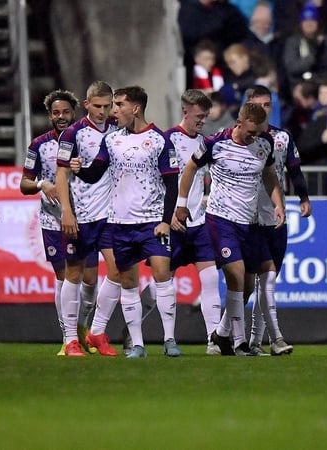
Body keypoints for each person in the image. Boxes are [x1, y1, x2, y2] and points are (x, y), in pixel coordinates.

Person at [73, 86, 181, 358]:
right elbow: (95, 173)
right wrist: (79, 170)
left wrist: (166, 221)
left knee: (162, 275)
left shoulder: (159, 140)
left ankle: (169, 340)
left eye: (119, 105)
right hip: (119, 223)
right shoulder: (111, 140)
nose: (113, 111)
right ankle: (138, 345)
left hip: (152, 222)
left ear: (135, 108)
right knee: (129, 283)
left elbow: (172, 184)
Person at [176, 102, 285, 356]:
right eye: (250, 132)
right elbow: (191, 168)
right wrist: (181, 204)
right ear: (239, 121)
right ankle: (240, 343)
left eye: (258, 133)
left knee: (247, 285)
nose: (254, 137)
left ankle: (221, 334)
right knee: (235, 274)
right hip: (221, 219)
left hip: (250, 222)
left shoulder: (264, 144)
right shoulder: (216, 143)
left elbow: (270, 175)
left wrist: (278, 203)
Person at [121, 89, 223, 356]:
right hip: (171, 224)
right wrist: (168, 217)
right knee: (161, 283)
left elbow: (207, 177)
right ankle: (132, 332)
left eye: (205, 116)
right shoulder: (165, 140)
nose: (202, 121)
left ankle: (214, 340)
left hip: (198, 223)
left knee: (211, 277)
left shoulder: (204, 143)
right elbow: (158, 182)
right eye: (199, 116)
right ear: (185, 111)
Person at [20, 89, 99, 356]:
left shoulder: (84, 137)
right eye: (56, 112)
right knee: (64, 277)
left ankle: (82, 328)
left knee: (90, 279)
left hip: (87, 216)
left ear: (74, 112)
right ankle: (68, 338)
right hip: (53, 220)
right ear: (50, 115)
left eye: (65, 111)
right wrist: (42, 184)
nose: (61, 117)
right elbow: (24, 183)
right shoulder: (39, 144)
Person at [245, 85, 311, 355]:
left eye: (267, 104)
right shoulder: (238, 138)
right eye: (258, 104)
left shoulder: (282, 138)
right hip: (248, 218)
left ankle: (251, 341)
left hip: (275, 217)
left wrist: (304, 197)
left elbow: (294, 170)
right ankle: (262, 338)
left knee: (266, 282)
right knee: (253, 283)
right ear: (248, 105)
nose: (263, 109)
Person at [55, 81, 120, 357]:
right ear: (86, 104)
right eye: (97, 106)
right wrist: (66, 211)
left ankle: (96, 331)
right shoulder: (73, 134)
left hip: (112, 215)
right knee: (74, 273)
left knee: (117, 272)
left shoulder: (119, 130)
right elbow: (61, 175)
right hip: (81, 214)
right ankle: (71, 339)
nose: (102, 112)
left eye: (107, 106)